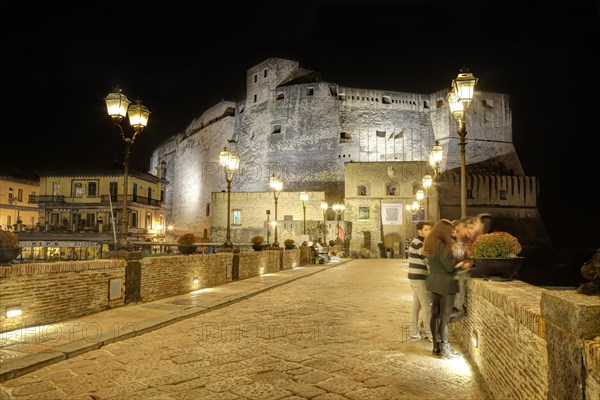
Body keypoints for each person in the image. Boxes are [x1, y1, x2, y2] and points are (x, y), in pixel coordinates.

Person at [423, 219, 472, 358]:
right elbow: (449, 267)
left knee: (435, 314)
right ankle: (445, 348)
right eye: (450, 231)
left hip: (434, 282)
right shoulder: (442, 246)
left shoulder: (430, 242)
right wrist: (461, 262)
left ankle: (436, 346)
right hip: (446, 283)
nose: (452, 233)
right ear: (444, 231)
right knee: (444, 318)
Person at [407, 221, 433, 342]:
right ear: (420, 231)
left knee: (416, 306)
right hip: (419, 278)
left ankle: (414, 333)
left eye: (429, 229)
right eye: (426, 229)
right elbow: (427, 258)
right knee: (426, 306)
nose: (429, 231)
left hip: (416, 277)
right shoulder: (418, 243)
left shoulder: (420, 242)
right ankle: (430, 334)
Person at [451, 217, 475, 319]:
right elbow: (458, 257)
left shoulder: (469, 242)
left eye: (457, 231)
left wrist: (466, 263)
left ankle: (458, 307)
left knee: (459, 279)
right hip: (462, 268)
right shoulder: (458, 243)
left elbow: (471, 258)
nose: (454, 233)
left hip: (470, 270)